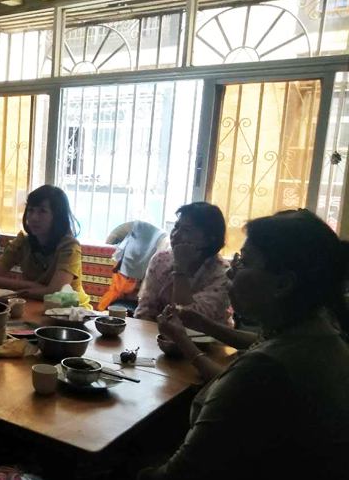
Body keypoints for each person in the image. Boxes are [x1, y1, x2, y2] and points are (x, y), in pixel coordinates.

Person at [142, 209, 349, 479]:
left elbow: (180, 472)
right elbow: (240, 378)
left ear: (283, 284)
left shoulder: (265, 368)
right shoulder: (318, 334)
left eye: (244, 262)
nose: (232, 273)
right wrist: (203, 325)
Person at [0, 185, 90, 302]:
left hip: (70, 312)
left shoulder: (69, 247)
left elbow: (55, 293)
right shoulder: (22, 242)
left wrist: (17, 291)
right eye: (31, 210)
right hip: (31, 304)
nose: (34, 217)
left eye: (42, 211)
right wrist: (34, 287)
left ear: (57, 217)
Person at [134, 202, 232, 326]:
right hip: (159, 335)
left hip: (207, 341)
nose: (175, 235)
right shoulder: (161, 260)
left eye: (186, 230)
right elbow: (145, 309)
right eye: (176, 227)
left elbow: (189, 319)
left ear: (209, 239)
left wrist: (180, 269)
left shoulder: (223, 273)